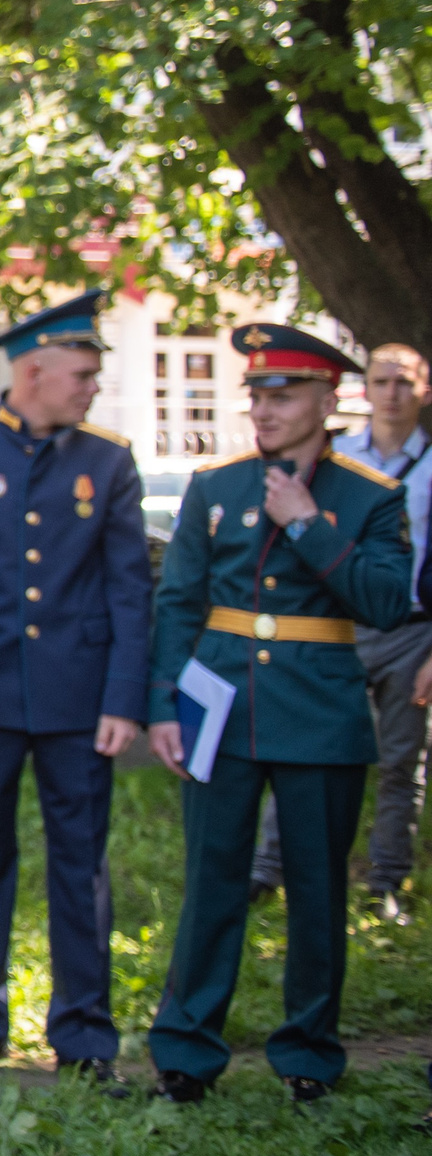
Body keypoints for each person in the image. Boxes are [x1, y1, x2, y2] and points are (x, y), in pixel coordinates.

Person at [144, 324, 411, 1105]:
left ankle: (309, 1055)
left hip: (320, 711)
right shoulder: (214, 486)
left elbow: (388, 602)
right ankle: (187, 1053)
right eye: (256, 392)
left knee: (318, 891)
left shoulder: (368, 495)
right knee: (212, 881)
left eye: (283, 393)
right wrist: (165, 705)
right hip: (220, 709)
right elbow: (179, 602)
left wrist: (304, 520)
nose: (263, 407)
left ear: (329, 401)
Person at [0, 291, 150, 1091]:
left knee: (81, 864)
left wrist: (124, 699)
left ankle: (84, 1034)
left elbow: (129, 589)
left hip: (80, 700)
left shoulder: (107, 460)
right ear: (33, 369)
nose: (91, 388)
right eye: (81, 374)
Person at [249, 343, 432, 922]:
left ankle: (385, 880)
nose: (392, 393)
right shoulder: (334, 457)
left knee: (402, 759)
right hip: (335, 623)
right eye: (381, 381)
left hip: (411, 629)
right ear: (363, 391)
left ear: (424, 391)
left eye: (405, 383)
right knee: (301, 741)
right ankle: (269, 869)